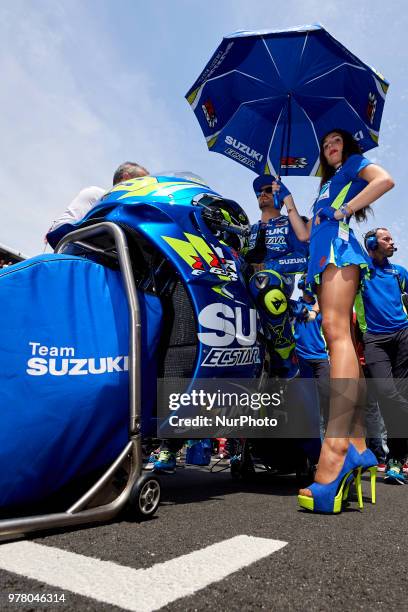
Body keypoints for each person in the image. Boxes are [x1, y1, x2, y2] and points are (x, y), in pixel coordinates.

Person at [272, 128, 394, 512]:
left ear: (348, 146)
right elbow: (306, 234)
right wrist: (289, 203)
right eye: (325, 146)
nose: (330, 148)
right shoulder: (324, 187)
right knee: (333, 334)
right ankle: (356, 445)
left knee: (337, 334)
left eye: (336, 141)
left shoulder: (352, 169)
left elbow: (385, 180)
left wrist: (343, 211)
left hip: (340, 251)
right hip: (321, 252)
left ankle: (338, 443)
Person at [355, 227, 408, 483]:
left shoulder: (399, 272)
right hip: (375, 340)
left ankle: (396, 462)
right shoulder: (361, 271)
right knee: (387, 394)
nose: (392, 242)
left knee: (399, 395)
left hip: (403, 336)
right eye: (386, 238)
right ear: (373, 243)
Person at [245, 175, 309, 378]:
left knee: (263, 281)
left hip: (277, 280)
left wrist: (269, 265)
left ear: (280, 196)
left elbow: (304, 258)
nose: (262, 194)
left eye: (268, 190)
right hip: (247, 281)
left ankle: (285, 352)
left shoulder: (292, 223)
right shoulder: (248, 230)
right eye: (259, 192)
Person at [46, 161, 149, 248]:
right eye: (142, 180)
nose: (147, 186)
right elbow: (61, 228)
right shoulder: (98, 194)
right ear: (126, 178)